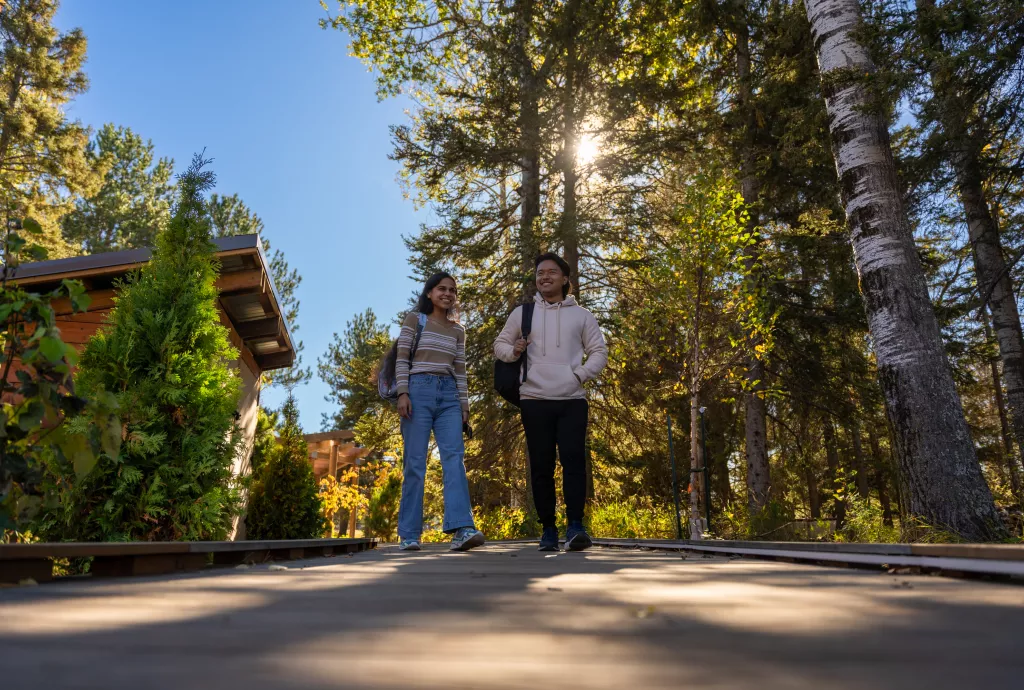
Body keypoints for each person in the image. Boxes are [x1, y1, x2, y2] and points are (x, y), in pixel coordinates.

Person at [494, 253, 608, 551]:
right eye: (540, 272)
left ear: (565, 279)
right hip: (534, 399)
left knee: (573, 462)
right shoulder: (523, 313)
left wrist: (578, 376)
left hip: (572, 399)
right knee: (541, 466)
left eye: (552, 272)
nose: (544, 276)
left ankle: (575, 526)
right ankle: (548, 529)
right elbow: (500, 345)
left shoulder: (582, 315)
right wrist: (514, 350)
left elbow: (599, 352)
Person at [395, 273, 485, 552]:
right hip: (417, 391)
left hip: (448, 396)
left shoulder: (458, 330)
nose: (447, 294)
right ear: (430, 293)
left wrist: (464, 406)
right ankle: (409, 534)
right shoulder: (415, 320)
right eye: (441, 289)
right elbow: (402, 356)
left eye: (452, 290)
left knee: (454, 459)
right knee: (415, 463)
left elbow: (460, 370)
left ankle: (462, 528)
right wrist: (403, 392)